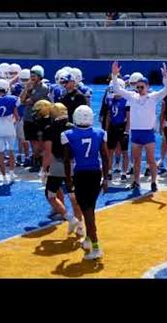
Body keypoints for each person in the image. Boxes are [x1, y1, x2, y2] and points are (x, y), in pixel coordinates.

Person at [111, 61, 167, 192]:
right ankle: (136, 181)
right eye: (137, 87)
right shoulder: (132, 97)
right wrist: (115, 75)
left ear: (147, 86)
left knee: (151, 160)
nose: (139, 90)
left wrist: (165, 77)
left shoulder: (153, 97)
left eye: (141, 87)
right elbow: (117, 89)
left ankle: (154, 182)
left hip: (148, 133)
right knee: (137, 160)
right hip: (136, 133)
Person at [62, 105, 109, 260]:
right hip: (95, 174)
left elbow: (67, 161)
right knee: (90, 208)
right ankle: (89, 240)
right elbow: (105, 156)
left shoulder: (68, 134)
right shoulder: (99, 133)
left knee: (87, 212)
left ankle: (96, 247)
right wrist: (106, 178)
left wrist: (68, 180)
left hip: (81, 175)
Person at [41, 102, 84, 236]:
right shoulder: (74, 127)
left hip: (58, 165)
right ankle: (81, 226)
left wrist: (43, 169)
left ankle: (70, 218)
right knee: (73, 196)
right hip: (74, 164)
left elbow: (48, 152)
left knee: (51, 195)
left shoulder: (50, 129)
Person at [19, 65, 51, 173]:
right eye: (31, 75)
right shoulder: (29, 86)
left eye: (34, 75)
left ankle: (40, 161)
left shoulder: (43, 89)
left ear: (40, 76)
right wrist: (26, 89)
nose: (32, 77)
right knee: (33, 141)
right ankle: (37, 160)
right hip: (28, 117)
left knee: (39, 142)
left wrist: (28, 93)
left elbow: (28, 101)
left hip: (39, 119)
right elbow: (21, 100)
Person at [105, 78, 130, 181]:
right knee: (110, 151)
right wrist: (106, 130)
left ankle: (124, 173)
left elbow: (129, 118)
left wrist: (126, 131)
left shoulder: (126, 100)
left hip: (122, 127)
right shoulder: (110, 99)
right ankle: (110, 171)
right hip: (113, 127)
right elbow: (109, 115)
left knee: (124, 151)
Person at [11, 69, 31, 166]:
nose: (24, 81)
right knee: (19, 138)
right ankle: (19, 155)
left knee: (24, 138)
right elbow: (18, 101)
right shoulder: (16, 87)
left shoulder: (33, 87)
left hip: (27, 115)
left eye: (26, 79)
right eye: (22, 79)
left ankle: (27, 156)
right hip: (18, 115)